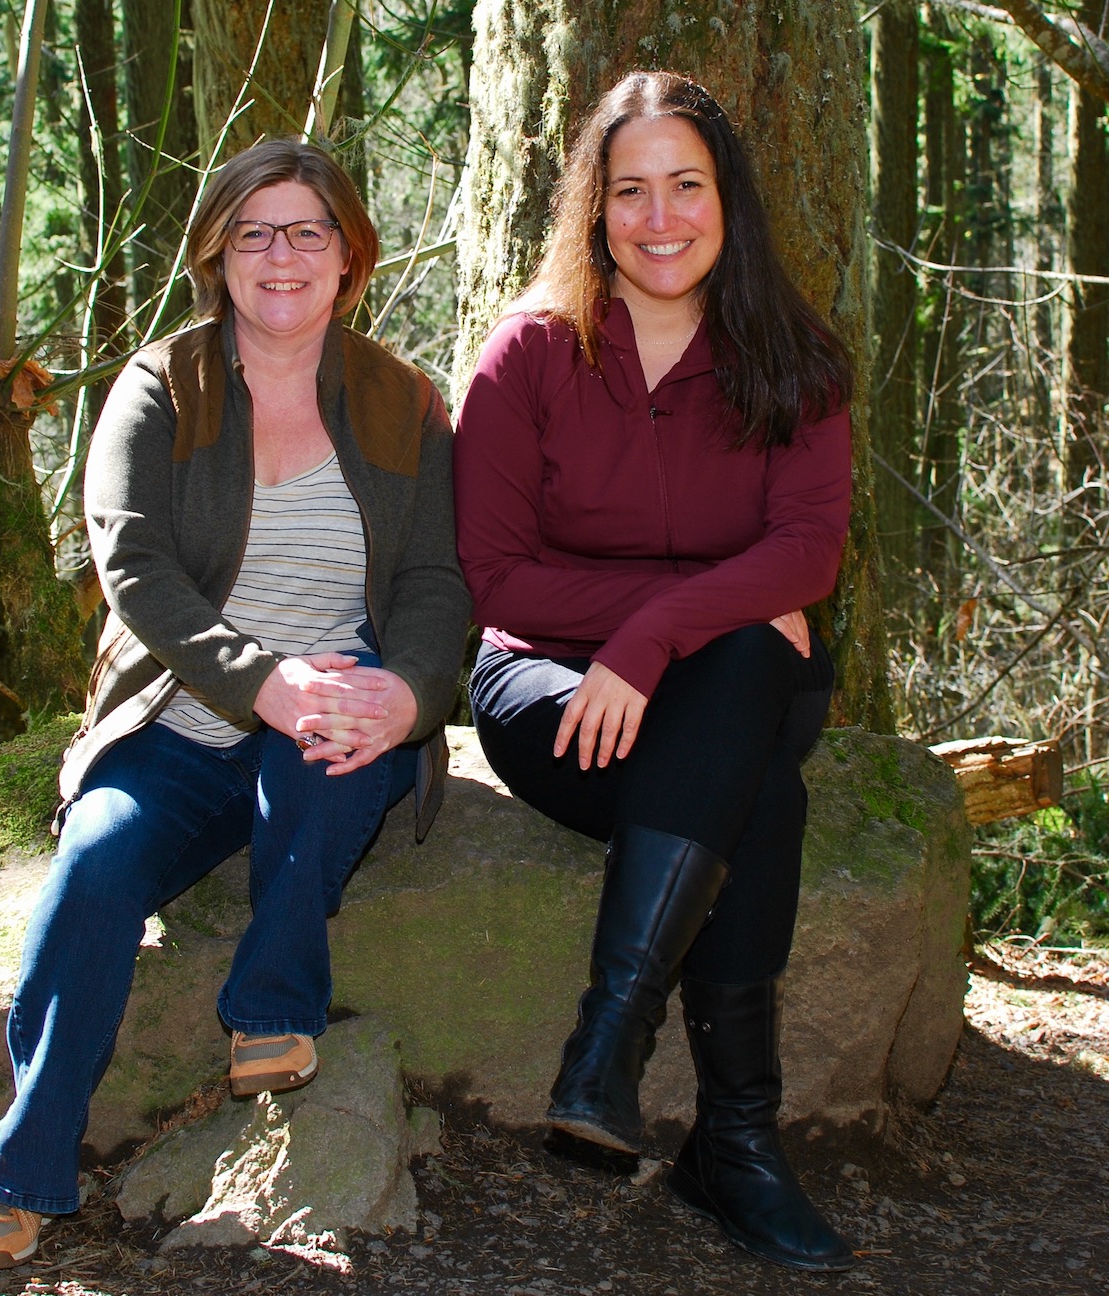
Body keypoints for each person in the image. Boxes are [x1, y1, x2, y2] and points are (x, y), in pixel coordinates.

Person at [0, 139, 470, 1272]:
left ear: (349, 254)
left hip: (332, 710)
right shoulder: (160, 386)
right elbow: (135, 569)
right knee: (93, 869)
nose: (282, 256)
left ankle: (272, 1003)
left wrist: (411, 695)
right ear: (218, 254)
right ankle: (22, 1176)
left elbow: (439, 580)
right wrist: (259, 681)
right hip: (179, 727)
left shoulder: (403, 400)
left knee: (328, 745)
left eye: (308, 232)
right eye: (254, 233)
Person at [453, 72, 855, 1272]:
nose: (660, 215)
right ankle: (735, 1145)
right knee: (759, 782)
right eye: (630, 190)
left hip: (734, 681)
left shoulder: (796, 359)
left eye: (686, 184)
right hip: (553, 693)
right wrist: (656, 625)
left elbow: (808, 552)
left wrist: (664, 637)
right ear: (594, 209)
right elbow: (491, 576)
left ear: (729, 199)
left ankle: (610, 1045)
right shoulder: (527, 355)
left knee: (738, 668)